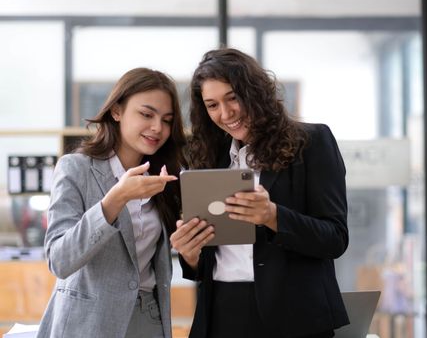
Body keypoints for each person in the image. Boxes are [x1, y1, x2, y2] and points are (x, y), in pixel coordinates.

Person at [170, 48, 349, 338]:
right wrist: (190, 256)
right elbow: (210, 261)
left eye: (232, 98)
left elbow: (335, 238)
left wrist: (273, 216)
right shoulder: (210, 157)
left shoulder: (312, 142)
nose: (226, 114)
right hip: (221, 313)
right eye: (212, 105)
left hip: (293, 315)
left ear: (255, 92)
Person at [37, 68, 187, 338]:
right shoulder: (76, 168)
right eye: (146, 114)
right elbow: (60, 259)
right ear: (116, 111)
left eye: (167, 120)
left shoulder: (164, 177)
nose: (158, 128)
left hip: (148, 320)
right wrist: (116, 199)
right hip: (86, 324)